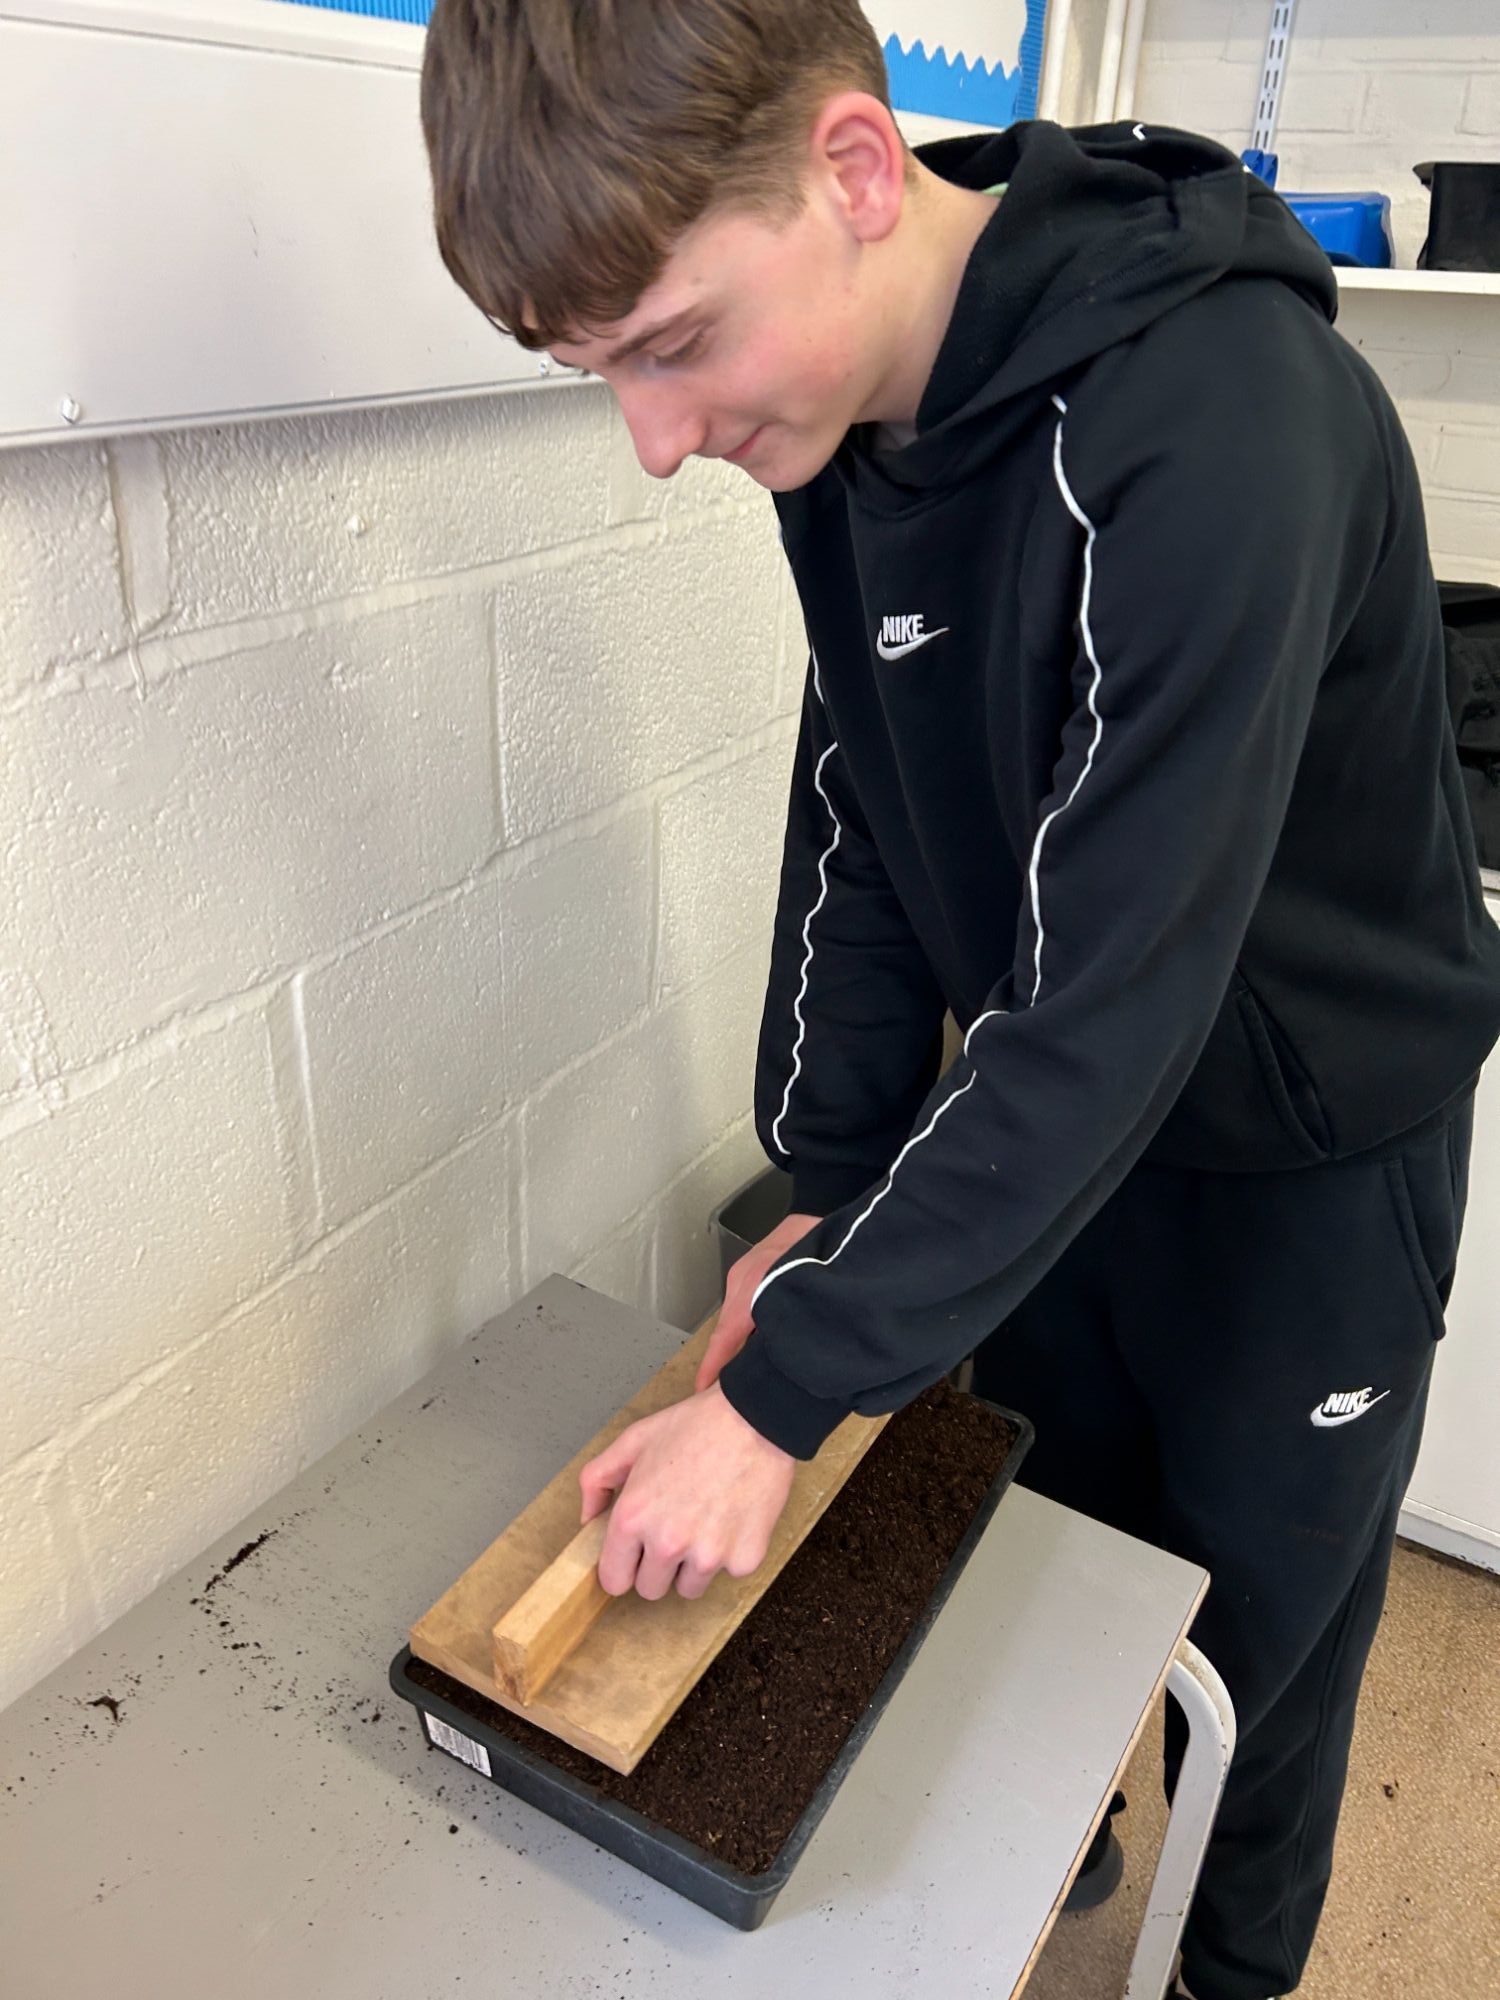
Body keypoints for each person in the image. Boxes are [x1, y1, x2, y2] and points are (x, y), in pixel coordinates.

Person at [419, 6, 1500, 1996]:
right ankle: (1058, 1848)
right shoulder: (844, 419)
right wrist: (829, 1187)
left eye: (668, 347)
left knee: (1257, 1660)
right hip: (1047, 1140)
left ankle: (1222, 1976)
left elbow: (1123, 979)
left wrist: (779, 1386)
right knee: (1048, 1555)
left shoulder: (1217, 423)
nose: (655, 439)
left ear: (846, 174)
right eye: (605, 374)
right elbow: (864, 808)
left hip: (1304, 1161)